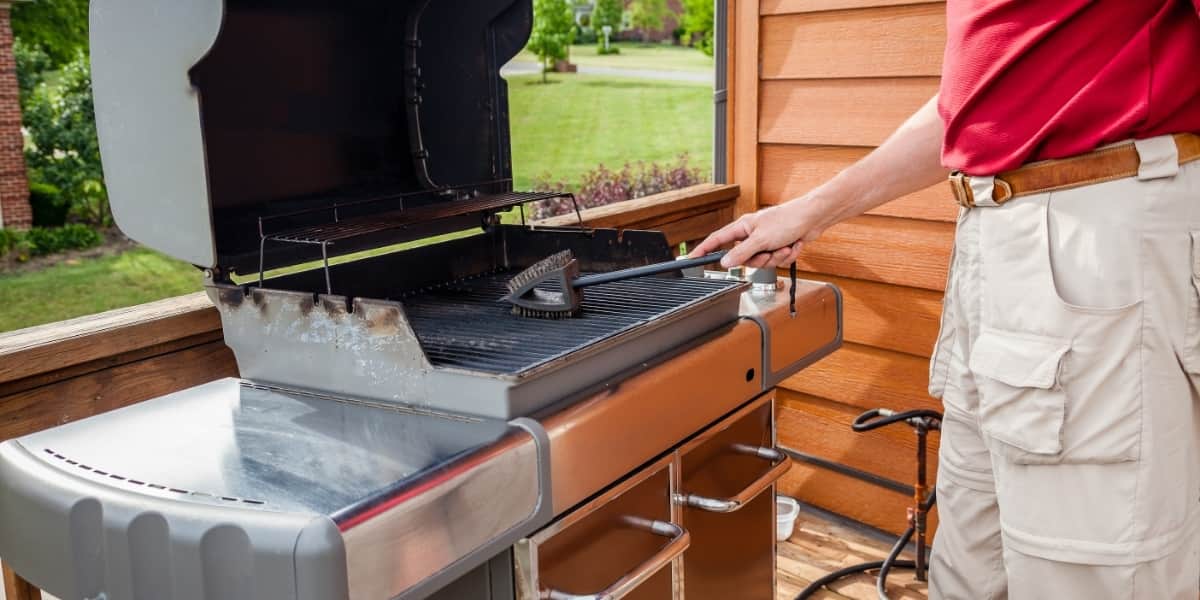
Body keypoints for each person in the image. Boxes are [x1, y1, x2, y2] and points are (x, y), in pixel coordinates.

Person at [690, 1, 1200, 598]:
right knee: (968, 555)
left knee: (1087, 569)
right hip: (992, 235)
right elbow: (967, 113)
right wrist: (808, 212)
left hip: (1094, 237)